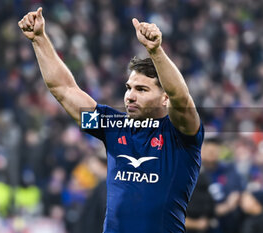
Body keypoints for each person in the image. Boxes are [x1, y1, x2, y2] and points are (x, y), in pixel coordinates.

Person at [18, 7, 204, 233]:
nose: (130, 95)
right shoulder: (113, 126)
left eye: (142, 89)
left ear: (164, 98)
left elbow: (180, 97)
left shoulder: (181, 134)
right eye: (129, 88)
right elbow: (63, 89)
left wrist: (156, 52)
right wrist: (39, 39)